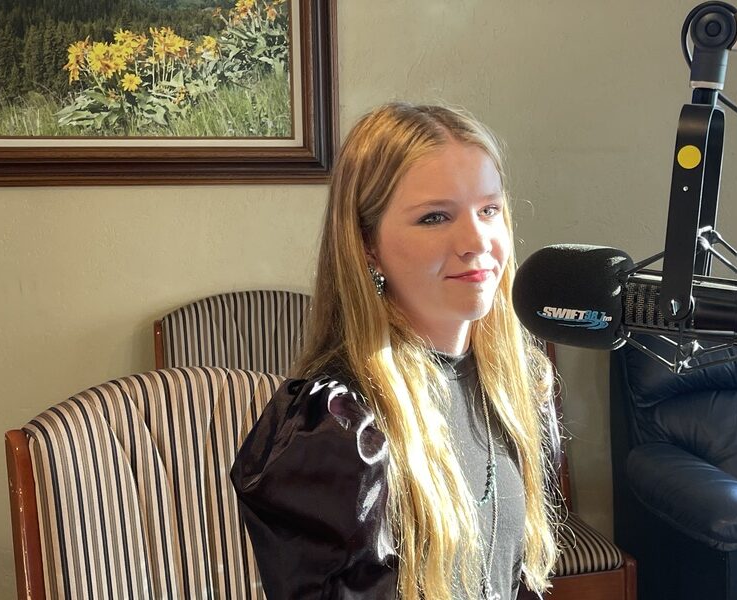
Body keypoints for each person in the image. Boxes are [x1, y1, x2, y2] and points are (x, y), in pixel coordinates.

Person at [231, 102, 562, 600]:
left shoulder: (516, 386)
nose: (477, 241)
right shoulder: (340, 427)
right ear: (368, 246)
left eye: (489, 209)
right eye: (435, 217)